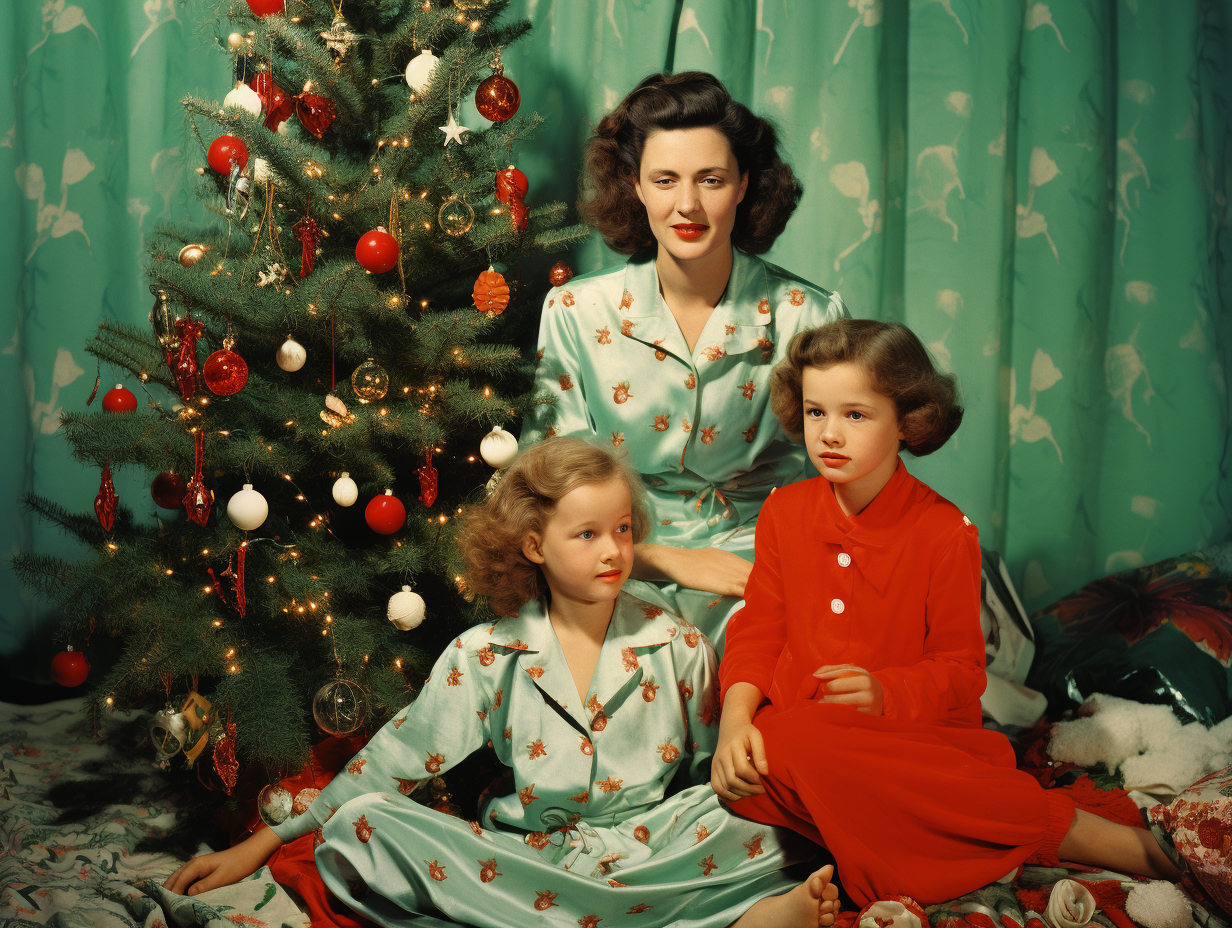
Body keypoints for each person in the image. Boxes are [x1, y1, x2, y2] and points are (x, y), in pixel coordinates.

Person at [165, 438, 841, 928]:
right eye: (587, 534)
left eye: (624, 530)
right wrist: (263, 842)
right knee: (359, 830)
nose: (613, 551)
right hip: (530, 861)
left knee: (784, 818)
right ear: (533, 545)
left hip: (649, 846)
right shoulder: (485, 654)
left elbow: (711, 773)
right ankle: (706, 921)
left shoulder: (678, 643)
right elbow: (393, 761)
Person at [710, 319, 1185, 907]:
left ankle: (1085, 836)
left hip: (913, 747)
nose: (829, 433)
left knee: (808, 750)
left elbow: (962, 670)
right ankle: (982, 833)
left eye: (855, 415)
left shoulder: (944, 531)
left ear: (909, 420)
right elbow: (759, 628)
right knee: (767, 758)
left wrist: (885, 692)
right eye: (815, 413)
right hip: (796, 747)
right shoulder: (783, 511)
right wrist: (735, 725)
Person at [525, 71, 849, 655]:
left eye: (712, 179)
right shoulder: (575, 310)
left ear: (745, 184)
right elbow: (548, 485)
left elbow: (845, 481)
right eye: (665, 179)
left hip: (769, 560)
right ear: (635, 186)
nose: (688, 204)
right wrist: (666, 561)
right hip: (615, 560)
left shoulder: (809, 314)